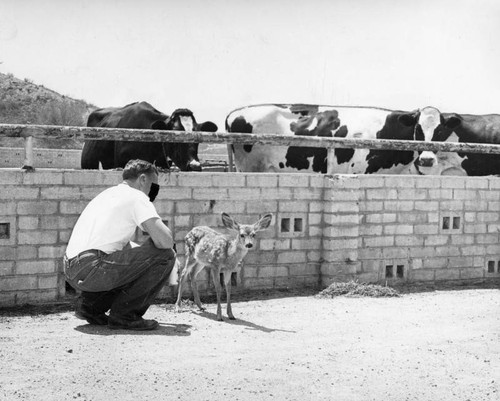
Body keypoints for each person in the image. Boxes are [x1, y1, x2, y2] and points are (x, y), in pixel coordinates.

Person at [64, 159, 176, 331]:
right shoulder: (137, 196)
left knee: (136, 259)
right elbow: (165, 241)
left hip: (72, 268)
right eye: (153, 186)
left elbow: (120, 248)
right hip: (94, 267)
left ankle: (90, 307)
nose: (152, 192)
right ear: (143, 179)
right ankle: (126, 315)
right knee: (165, 255)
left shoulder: (108, 194)